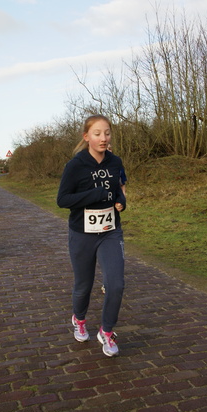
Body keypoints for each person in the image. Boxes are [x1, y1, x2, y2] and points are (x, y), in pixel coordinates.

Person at [57, 115, 127, 357]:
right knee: (83, 286)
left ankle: (106, 331)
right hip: (82, 233)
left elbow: (119, 189)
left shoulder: (115, 161)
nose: (103, 138)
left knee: (116, 284)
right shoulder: (75, 165)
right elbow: (62, 200)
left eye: (107, 133)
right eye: (97, 133)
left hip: (110, 231)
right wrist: (93, 195)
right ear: (86, 137)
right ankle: (79, 318)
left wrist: (121, 201)